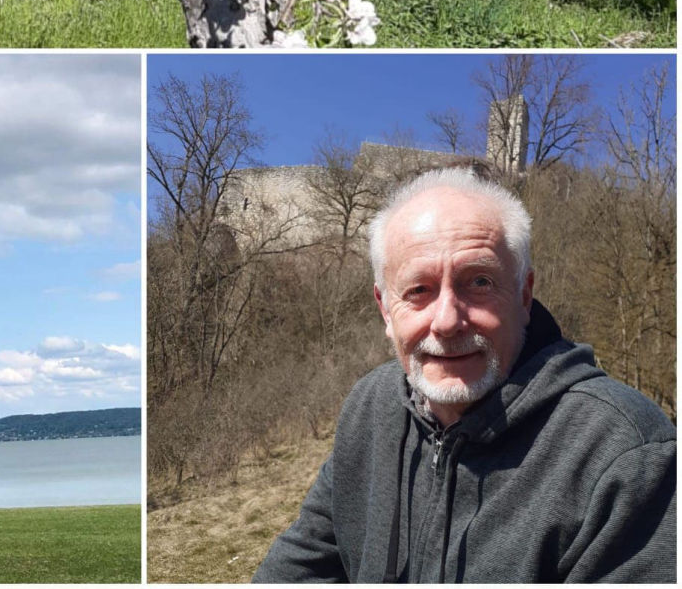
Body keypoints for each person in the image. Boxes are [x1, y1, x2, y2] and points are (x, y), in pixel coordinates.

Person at [253, 165, 676, 583]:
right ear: (385, 309)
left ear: (524, 295)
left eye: (479, 282)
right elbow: (299, 568)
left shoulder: (625, 456)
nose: (446, 322)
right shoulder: (371, 407)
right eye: (419, 290)